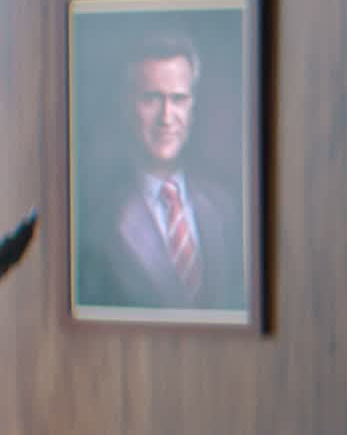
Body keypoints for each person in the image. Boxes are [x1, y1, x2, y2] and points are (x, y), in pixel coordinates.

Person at [75, 32, 245, 312]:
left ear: (192, 108)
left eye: (178, 99)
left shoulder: (225, 208)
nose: (166, 117)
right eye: (152, 99)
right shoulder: (98, 226)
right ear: (127, 107)